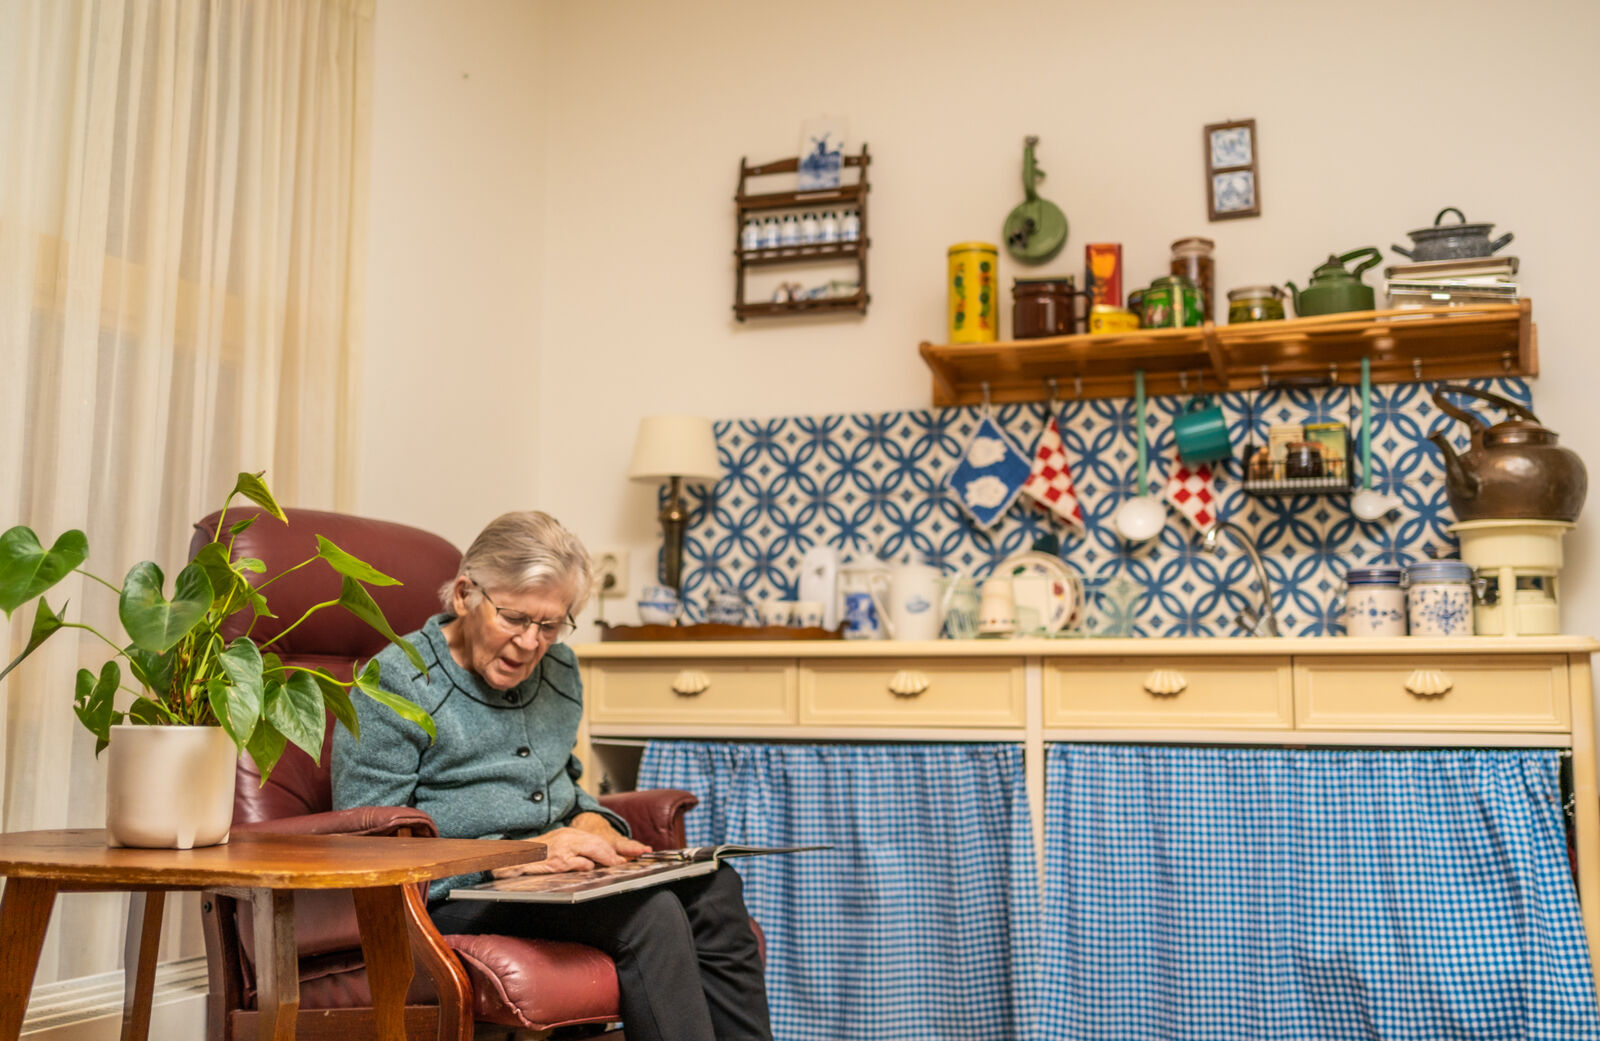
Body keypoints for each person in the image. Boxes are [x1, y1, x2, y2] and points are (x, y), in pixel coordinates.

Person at [330, 510, 772, 1041]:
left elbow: (562, 784)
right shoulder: (397, 683)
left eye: (550, 624)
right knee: (649, 915)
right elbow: (366, 847)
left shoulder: (559, 670)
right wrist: (513, 861)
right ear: (466, 594)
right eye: (514, 619)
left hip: (551, 885)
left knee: (717, 888)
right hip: (452, 899)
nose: (530, 643)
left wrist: (597, 821)